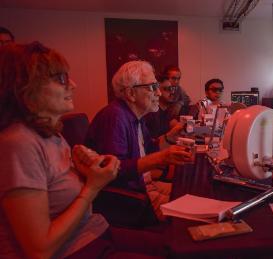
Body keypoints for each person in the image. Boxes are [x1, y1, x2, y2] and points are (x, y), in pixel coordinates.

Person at [0, 42, 163, 258]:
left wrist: (86, 170)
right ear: (24, 87)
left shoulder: (52, 134)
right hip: (75, 249)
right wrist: (92, 186)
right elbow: (40, 249)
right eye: (61, 79)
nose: (73, 85)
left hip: (93, 232)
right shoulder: (19, 143)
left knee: (171, 247)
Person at [86, 61, 192, 217]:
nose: (159, 93)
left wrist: (169, 138)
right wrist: (162, 157)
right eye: (152, 87)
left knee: (191, 192)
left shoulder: (137, 116)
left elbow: (149, 148)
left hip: (145, 185)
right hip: (130, 200)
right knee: (190, 213)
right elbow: (115, 170)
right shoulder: (115, 117)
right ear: (130, 93)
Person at [144, 75, 178, 139]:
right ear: (157, 91)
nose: (172, 92)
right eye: (167, 89)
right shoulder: (151, 114)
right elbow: (152, 144)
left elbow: (176, 125)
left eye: (172, 88)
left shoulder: (166, 111)